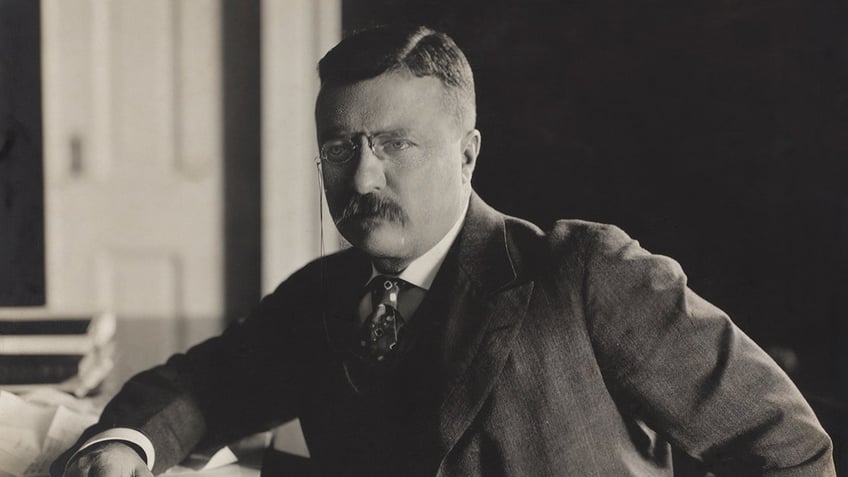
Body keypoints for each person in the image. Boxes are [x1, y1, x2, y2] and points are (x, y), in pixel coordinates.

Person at [53, 25, 835, 476]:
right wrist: (128, 444)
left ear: (468, 154)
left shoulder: (583, 273)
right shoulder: (326, 294)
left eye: (396, 144)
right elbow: (206, 383)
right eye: (338, 147)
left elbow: (786, 447)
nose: (361, 175)